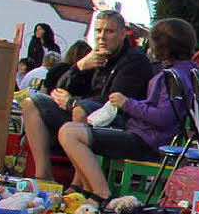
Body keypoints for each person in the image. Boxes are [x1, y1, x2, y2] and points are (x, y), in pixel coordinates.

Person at [58, 18, 198, 206]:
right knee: (74, 129)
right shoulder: (187, 71)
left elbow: (164, 117)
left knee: (70, 133)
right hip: (151, 138)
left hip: (148, 142)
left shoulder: (173, 76)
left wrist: (127, 104)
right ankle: (88, 190)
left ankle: (101, 194)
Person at [21, 10, 152, 181]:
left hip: (120, 122)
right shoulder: (95, 56)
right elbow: (58, 89)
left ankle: (80, 183)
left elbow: (113, 103)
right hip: (87, 114)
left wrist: (72, 102)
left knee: (81, 109)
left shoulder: (134, 61)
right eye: (98, 31)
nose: (102, 37)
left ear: (122, 34)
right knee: (32, 102)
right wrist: (80, 66)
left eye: (109, 31)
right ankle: (43, 176)